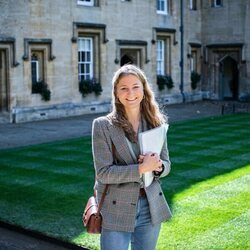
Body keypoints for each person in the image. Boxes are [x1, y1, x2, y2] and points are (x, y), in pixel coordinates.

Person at [92, 64, 172, 250]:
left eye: (136, 87)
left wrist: (158, 166)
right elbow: (103, 173)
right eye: (124, 88)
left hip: (150, 206)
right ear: (117, 94)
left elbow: (167, 164)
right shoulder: (102, 126)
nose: (131, 93)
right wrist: (141, 169)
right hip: (115, 208)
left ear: (144, 90)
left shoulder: (155, 122)